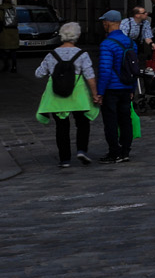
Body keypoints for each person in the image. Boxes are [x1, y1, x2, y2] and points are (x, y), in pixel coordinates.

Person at [36, 22, 98, 167]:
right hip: (78, 95)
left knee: (61, 127)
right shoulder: (82, 54)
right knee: (83, 123)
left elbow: (39, 74)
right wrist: (95, 94)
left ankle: (64, 159)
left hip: (57, 95)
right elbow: (90, 75)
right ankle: (82, 150)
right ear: (77, 36)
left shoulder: (51, 55)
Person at [95, 9, 138, 164]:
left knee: (111, 122)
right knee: (125, 120)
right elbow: (133, 68)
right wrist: (132, 88)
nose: (102, 24)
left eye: (103, 22)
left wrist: (99, 92)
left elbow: (105, 71)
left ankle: (114, 152)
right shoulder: (131, 43)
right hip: (127, 87)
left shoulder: (107, 44)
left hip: (112, 89)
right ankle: (125, 151)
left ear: (107, 23)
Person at [0, 0, 18, 74]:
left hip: (4, 32)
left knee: (2, 50)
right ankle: (14, 66)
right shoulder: (14, 9)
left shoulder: (1, 9)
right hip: (14, 32)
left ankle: (6, 64)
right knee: (13, 51)